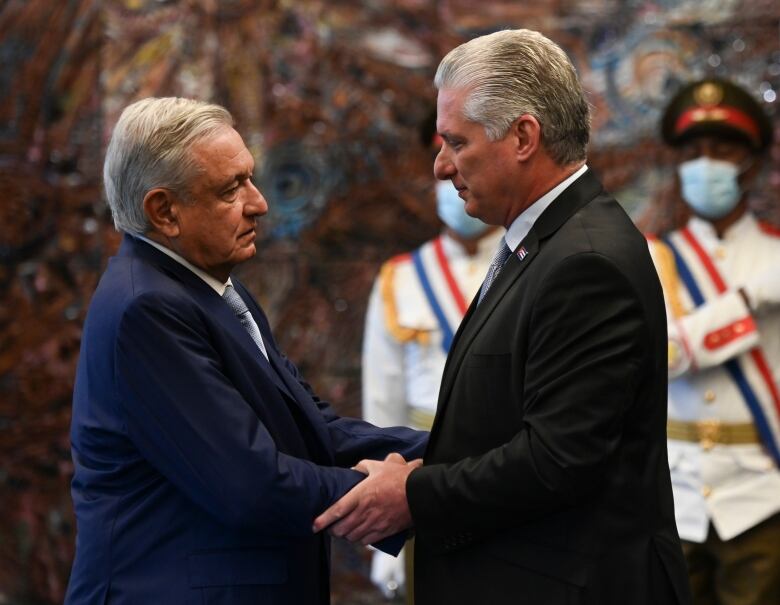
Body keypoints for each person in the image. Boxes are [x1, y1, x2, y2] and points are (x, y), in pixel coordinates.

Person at [314, 29, 692, 605]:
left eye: (456, 143)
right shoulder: (546, 238)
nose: (441, 167)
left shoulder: (585, 260)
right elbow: (501, 423)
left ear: (522, 136)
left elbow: (557, 459)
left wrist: (414, 493)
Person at [65, 97, 427, 605]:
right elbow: (250, 484)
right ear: (164, 211)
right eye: (230, 188)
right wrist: (391, 495)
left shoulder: (209, 290)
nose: (258, 202)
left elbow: (311, 429)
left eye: (250, 178)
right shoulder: (145, 310)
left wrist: (452, 450)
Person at [647, 77, 780, 605]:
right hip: (672, 498)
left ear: (751, 161)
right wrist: (744, 304)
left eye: (723, 149)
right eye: (693, 151)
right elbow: (661, 356)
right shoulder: (648, 259)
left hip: (763, 495)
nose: (707, 163)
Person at [362, 112, 502, 600]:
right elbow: (381, 407)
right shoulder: (401, 277)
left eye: (461, 151)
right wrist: (387, 538)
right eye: (438, 157)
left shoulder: (529, 262)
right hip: (426, 479)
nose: (450, 173)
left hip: (510, 476)